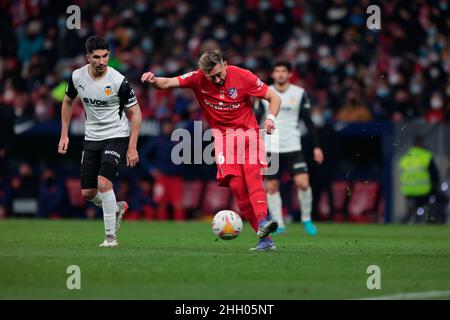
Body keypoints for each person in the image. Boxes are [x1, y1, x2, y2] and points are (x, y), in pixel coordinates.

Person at [141, 49, 281, 251]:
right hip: (223, 139)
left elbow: (274, 97)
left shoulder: (243, 76)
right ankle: (265, 239)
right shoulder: (197, 78)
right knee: (237, 188)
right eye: (211, 76)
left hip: (248, 134)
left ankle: (262, 221)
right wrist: (153, 80)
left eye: (219, 74)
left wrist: (270, 118)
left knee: (253, 176)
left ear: (225, 63)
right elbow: (168, 83)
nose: (216, 80)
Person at [58, 35, 142, 247]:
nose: (102, 61)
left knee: (104, 183)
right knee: (87, 193)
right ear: (88, 57)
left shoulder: (117, 80)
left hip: (116, 135)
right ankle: (116, 207)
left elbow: (136, 112)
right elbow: (67, 102)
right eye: (97, 57)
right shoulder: (77, 77)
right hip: (92, 137)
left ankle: (110, 239)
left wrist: (132, 147)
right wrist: (64, 134)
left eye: (105, 56)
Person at [258, 61, 324, 235]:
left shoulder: (299, 93)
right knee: (272, 186)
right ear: (273, 74)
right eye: (277, 71)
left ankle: (307, 219)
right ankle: (279, 224)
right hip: (271, 146)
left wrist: (316, 147)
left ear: (289, 74)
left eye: (283, 71)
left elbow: (308, 122)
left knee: (303, 184)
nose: (280, 74)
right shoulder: (264, 93)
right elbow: (255, 118)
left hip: (293, 146)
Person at [399, 135, 448, 224]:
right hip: (424, 191)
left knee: (413, 210)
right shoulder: (426, 156)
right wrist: (435, 187)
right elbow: (434, 174)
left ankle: (407, 221)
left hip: (408, 192)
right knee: (441, 200)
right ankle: (431, 220)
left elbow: (403, 174)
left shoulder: (406, 157)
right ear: (420, 143)